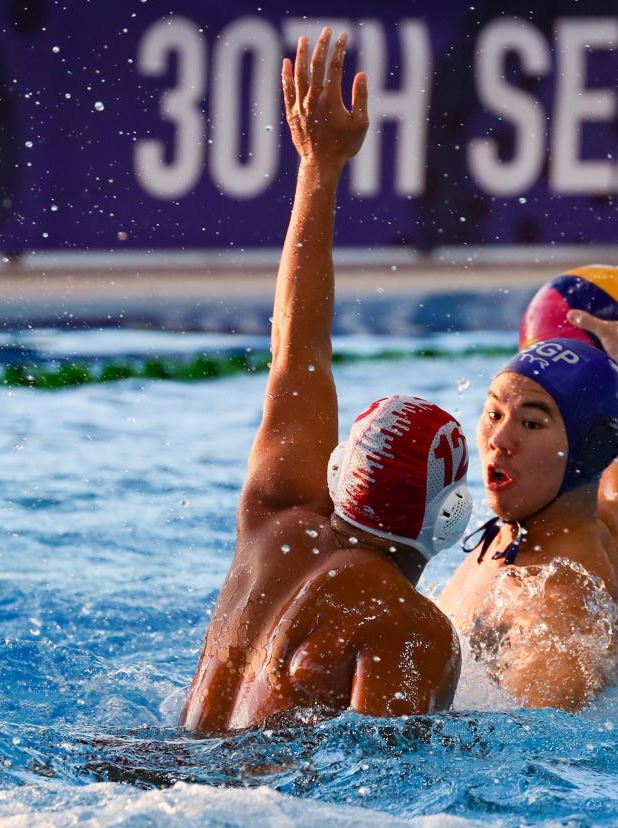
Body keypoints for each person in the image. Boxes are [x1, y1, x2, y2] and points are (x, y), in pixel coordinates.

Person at [181, 29, 469, 733]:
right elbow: (381, 789)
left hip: (148, 763)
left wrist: (320, 165)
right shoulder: (411, 629)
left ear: (341, 475)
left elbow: (296, 346)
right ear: (452, 516)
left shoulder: (272, 520)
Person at [436, 283, 618, 711]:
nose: (499, 439)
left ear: (588, 449)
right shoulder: (592, 528)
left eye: (531, 424)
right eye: (494, 413)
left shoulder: (553, 602)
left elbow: (534, 740)